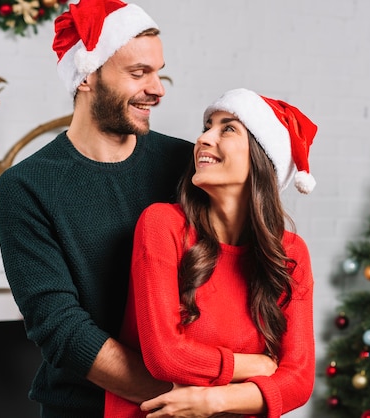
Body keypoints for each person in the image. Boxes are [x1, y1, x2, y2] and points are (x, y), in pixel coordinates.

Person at [0, 0, 194, 416]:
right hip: (87, 406)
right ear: (87, 76)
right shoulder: (26, 187)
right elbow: (61, 329)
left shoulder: (187, 165)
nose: (157, 88)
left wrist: (216, 394)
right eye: (139, 74)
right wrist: (179, 396)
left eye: (158, 71)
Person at [105, 87, 318, 417]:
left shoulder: (290, 253)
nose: (204, 139)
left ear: (263, 157)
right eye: (207, 126)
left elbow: (300, 380)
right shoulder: (163, 225)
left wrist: (211, 401)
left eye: (227, 127)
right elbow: (165, 355)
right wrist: (256, 366)